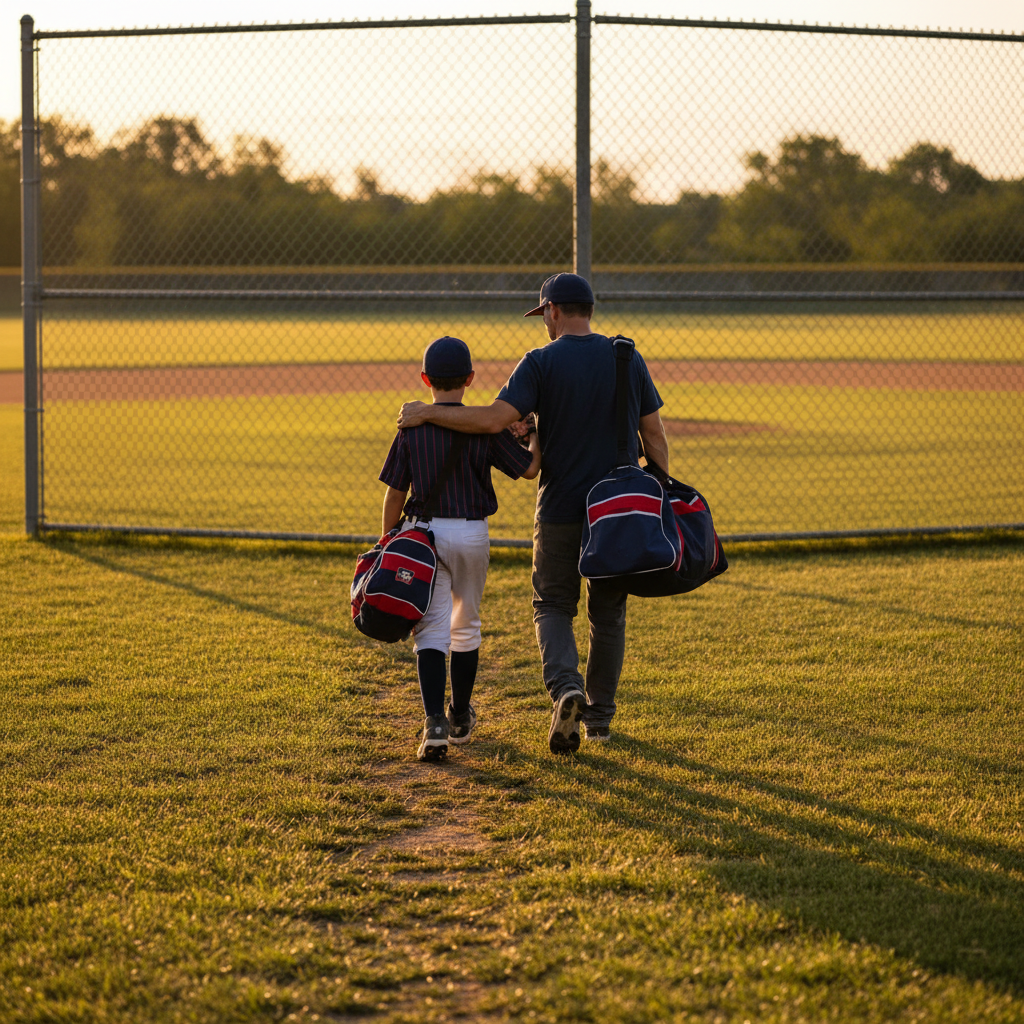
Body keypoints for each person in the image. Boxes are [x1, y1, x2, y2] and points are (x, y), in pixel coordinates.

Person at [397, 274, 669, 754]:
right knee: (608, 613)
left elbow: (491, 420)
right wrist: (661, 494)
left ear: (553, 311)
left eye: (543, 313)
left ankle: (567, 687)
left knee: (553, 605)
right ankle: (599, 721)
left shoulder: (540, 362)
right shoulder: (626, 355)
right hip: (617, 513)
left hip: (562, 505)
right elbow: (655, 436)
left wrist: (427, 414)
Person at [380, 335, 541, 762]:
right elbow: (529, 469)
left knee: (430, 630)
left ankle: (433, 723)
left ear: (424, 379)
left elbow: (396, 493)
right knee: (465, 623)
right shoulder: (484, 424)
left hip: (423, 534)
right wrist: (534, 433)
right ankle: (459, 717)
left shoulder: (413, 425)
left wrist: (387, 538)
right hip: (471, 532)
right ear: (470, 379)